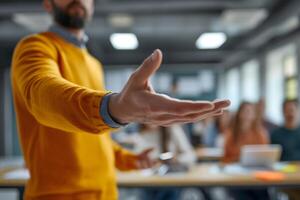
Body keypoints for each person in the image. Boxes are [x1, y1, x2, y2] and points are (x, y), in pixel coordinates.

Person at [11, 0, 230, 200]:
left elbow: (95, 140)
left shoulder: (93, 64)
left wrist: (131, 160)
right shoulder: (34, 47)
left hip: (106, 192)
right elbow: (42, 94)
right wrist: (114, 107)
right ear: (48, 4)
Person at [223, 102, 270, 200]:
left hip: (256, 175)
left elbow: (266, 156)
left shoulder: (260, 133)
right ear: (239, 114)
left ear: (254, 115)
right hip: (236, 176)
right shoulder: (231, 134)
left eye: (250, 111)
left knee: (262, 194)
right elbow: (225, 158)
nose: (247, 114)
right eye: (244, 111)